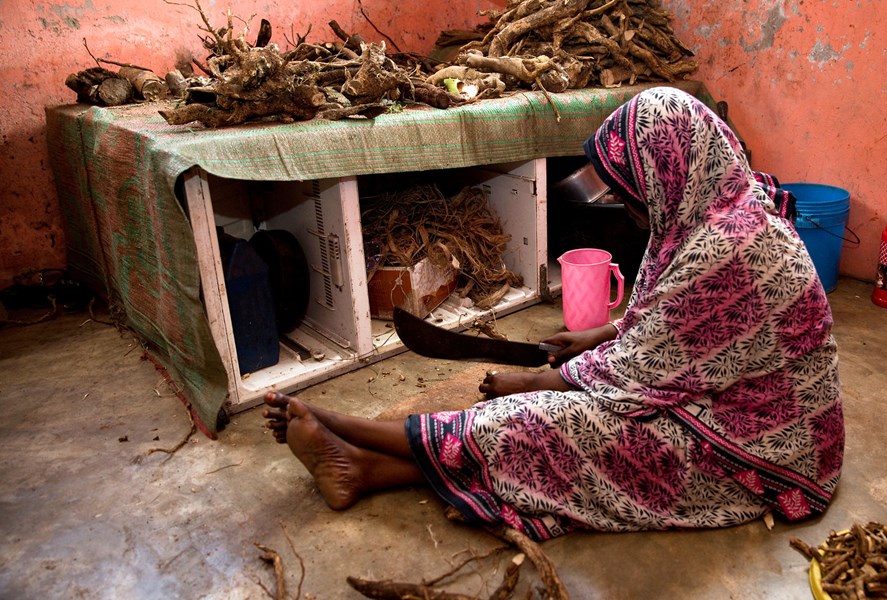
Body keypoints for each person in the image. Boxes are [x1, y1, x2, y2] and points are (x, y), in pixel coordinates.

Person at [264, 86, 844, 541]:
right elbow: (692, 332)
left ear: (672, 170)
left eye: (631, 187)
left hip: (761, 447)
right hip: (728, 404)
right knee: (559, 428)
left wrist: (544, 378)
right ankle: (362, 471)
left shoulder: (729, 245)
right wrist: (603, 333)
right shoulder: (721, 208)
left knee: (553, 421)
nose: (626, 203)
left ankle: (344, 426)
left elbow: (648, 370)